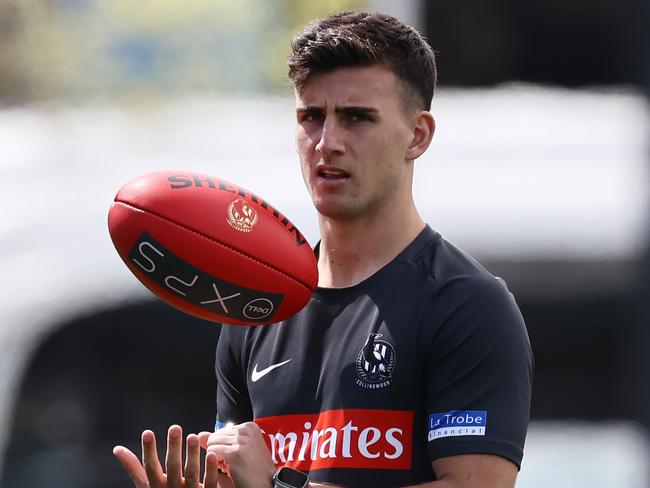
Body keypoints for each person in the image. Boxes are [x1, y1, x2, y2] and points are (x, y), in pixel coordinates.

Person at [113, 10, 533, 488]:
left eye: (357, 118)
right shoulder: (254, 306)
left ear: (417, 136)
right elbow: (242, 477)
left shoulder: (466, 303)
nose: (326, 142)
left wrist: (280, 486)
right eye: (311, 117)